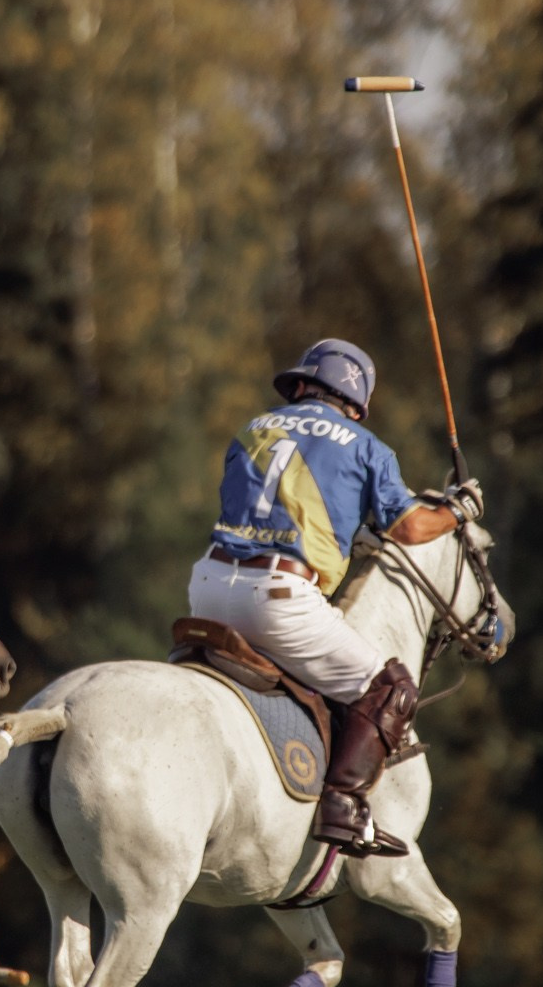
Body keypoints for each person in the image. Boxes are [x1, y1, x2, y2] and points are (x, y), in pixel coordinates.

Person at [189, 338, 482, 857]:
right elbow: (413, 527)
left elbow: (272, 511)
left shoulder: (249, 431)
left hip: (208, 588)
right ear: (355, 401)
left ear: (302, 385)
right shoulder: (367, 446)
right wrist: (459, 511)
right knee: (393, 688)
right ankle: (343, 804)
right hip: (279, 598)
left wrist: (348, 534)